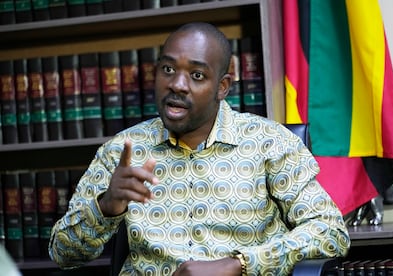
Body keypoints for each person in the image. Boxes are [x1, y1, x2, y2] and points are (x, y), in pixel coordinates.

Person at [48, 22, 350, 275]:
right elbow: (62, 253)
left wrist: (239, 264)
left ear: (222, 87)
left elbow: (330, 232)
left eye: (197, 75)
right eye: (168, 69)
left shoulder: (269, 143)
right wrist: (106, 206)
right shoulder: (122, 151)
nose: (177, 84)